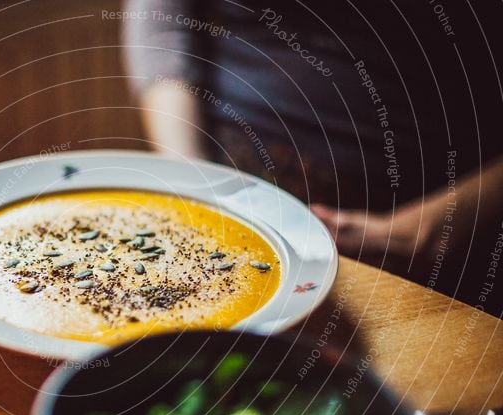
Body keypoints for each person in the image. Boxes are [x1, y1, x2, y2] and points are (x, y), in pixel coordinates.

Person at [123, 0, 503, 315]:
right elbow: (163, 18)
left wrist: (432, 230)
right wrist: (192, 175)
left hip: (433, 240)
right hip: (222, 203)